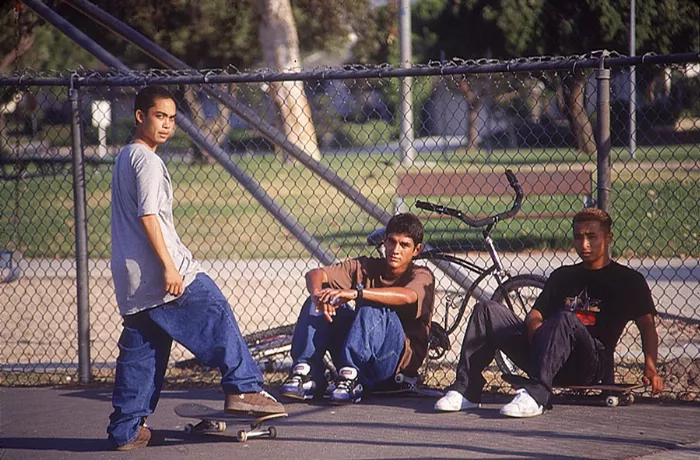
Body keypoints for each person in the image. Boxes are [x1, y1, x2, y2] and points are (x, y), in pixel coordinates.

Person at [107, 86, 284, 451]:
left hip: (133, 280)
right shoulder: (148, 162)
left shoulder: (125, 156)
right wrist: (170, 268)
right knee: (214, 309)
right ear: (140, 116)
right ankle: (245, 389)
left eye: (172, 118)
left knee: (143, 352)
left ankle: (126, 429)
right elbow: (148, 216)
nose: (167, 125)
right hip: (162, 274)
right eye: (159, 116)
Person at [434, 208, 664, 417]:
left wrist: (650, 368)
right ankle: (467, 390)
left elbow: (647, 325)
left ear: (608, 238)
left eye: (591, 237)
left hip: (589, 363)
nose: (584, 244)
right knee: (486, 309)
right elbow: (536, 314)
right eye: (578, 237)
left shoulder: (628, 280)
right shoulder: (562, 275)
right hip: (545, 353)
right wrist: (534, 327)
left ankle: (537, 395)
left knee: (565, 318)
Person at [280, 213, 435, 404]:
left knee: (373, 299)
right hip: (358, 351)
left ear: (416, 250)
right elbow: (316, 273)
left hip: (390, 364)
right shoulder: (366, 266)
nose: (395, 250)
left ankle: (351, 376)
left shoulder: (421, 274)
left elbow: (408, 296)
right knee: (323, 295)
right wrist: (318, 296)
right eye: (392, 242)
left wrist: (357, 293)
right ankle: (307, 373)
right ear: (384, 242)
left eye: (404, 245)